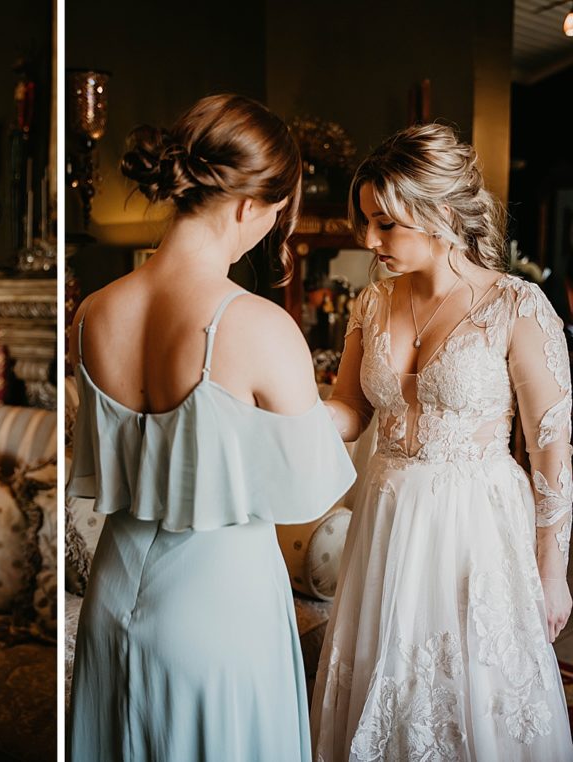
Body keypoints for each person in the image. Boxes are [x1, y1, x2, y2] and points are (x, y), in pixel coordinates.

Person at [66, 94, 356, 761]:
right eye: (278, 211)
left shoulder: (93, 312)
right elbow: (310, 486)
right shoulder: (256, 325)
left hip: (112, 594)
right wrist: (357, 403)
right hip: (219, 604)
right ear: (253, 205)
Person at [311, 123, 573, 760]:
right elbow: (348, 408)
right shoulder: (372, 304)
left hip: (473, 527)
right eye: (367, 221)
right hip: (385, 516)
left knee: (470, 696)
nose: (370, 241)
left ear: (442, 214)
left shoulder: (516, 304)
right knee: (380, 682)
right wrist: (279, 414)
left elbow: (550, 447)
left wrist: (552, 568)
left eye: (386, 224)